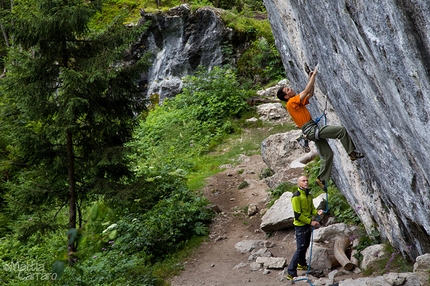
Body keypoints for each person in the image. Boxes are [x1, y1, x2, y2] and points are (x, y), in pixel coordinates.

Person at [276, 68, 364, 191]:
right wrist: (314, 76)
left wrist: (310, 79)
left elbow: (309, 94)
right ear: (286, 96)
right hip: (311, 130)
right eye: (288, 90)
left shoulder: (296, 103)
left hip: (310, 130)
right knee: (341, 131)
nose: (290, 89)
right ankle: (352, 154)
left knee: (328, 154)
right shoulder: (291, 102)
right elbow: (306, 90)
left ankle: (321, 178)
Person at [286, 176, 324, 281]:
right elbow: (297, 215)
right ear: (299, 183)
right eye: (303, 181)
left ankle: (302, 264)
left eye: (307, 180)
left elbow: (311, 209)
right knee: (300, 248)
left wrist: (317, 212)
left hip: (307, 225)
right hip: (300, 226)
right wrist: (310, 222)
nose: (306, 182)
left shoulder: (308, 195)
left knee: (305, 245)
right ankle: (291, 272)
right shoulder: (296, 197)